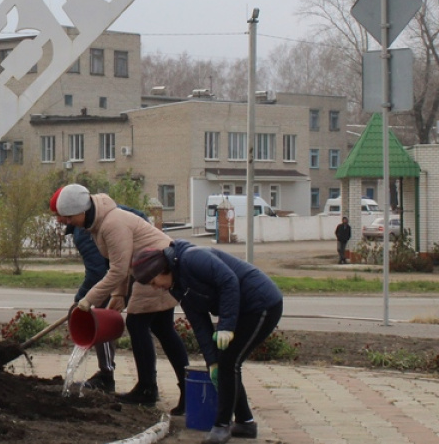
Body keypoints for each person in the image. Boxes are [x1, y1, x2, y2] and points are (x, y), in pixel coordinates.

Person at [50, 184, 190, 413]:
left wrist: (87, 300)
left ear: (81, 210)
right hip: (152, 267)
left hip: (158, 270)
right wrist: (119, 294)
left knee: (139, 324)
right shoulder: (98, 224)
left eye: (68, 217)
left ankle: (147, 389)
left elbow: (118, 269)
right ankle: (186, 391)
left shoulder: (112, 223)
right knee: (163, 329)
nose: (67, 221)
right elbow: (122, 263)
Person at [130, 240, 284, 444]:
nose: (155, 287)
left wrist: (226, 326)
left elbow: (229, 281)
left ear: (162, 269)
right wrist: (212, 362)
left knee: (230, 362)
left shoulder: (193, 258)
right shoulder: (178, 286)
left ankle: (222, 426)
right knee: (223, 363)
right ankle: (245, 423)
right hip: (242, 309)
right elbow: (199, 324)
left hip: (261, 303)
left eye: (153, 281)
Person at [69, 224, 117, 392]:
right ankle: (146, 384)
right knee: (143, 326)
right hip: (131, 269)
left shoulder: (83, 232)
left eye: (59, 214)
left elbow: (97, 273)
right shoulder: (86, 226)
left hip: (130, 272)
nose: (58, 220)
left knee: (100, 320)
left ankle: (106, 376)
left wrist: (81, 299)